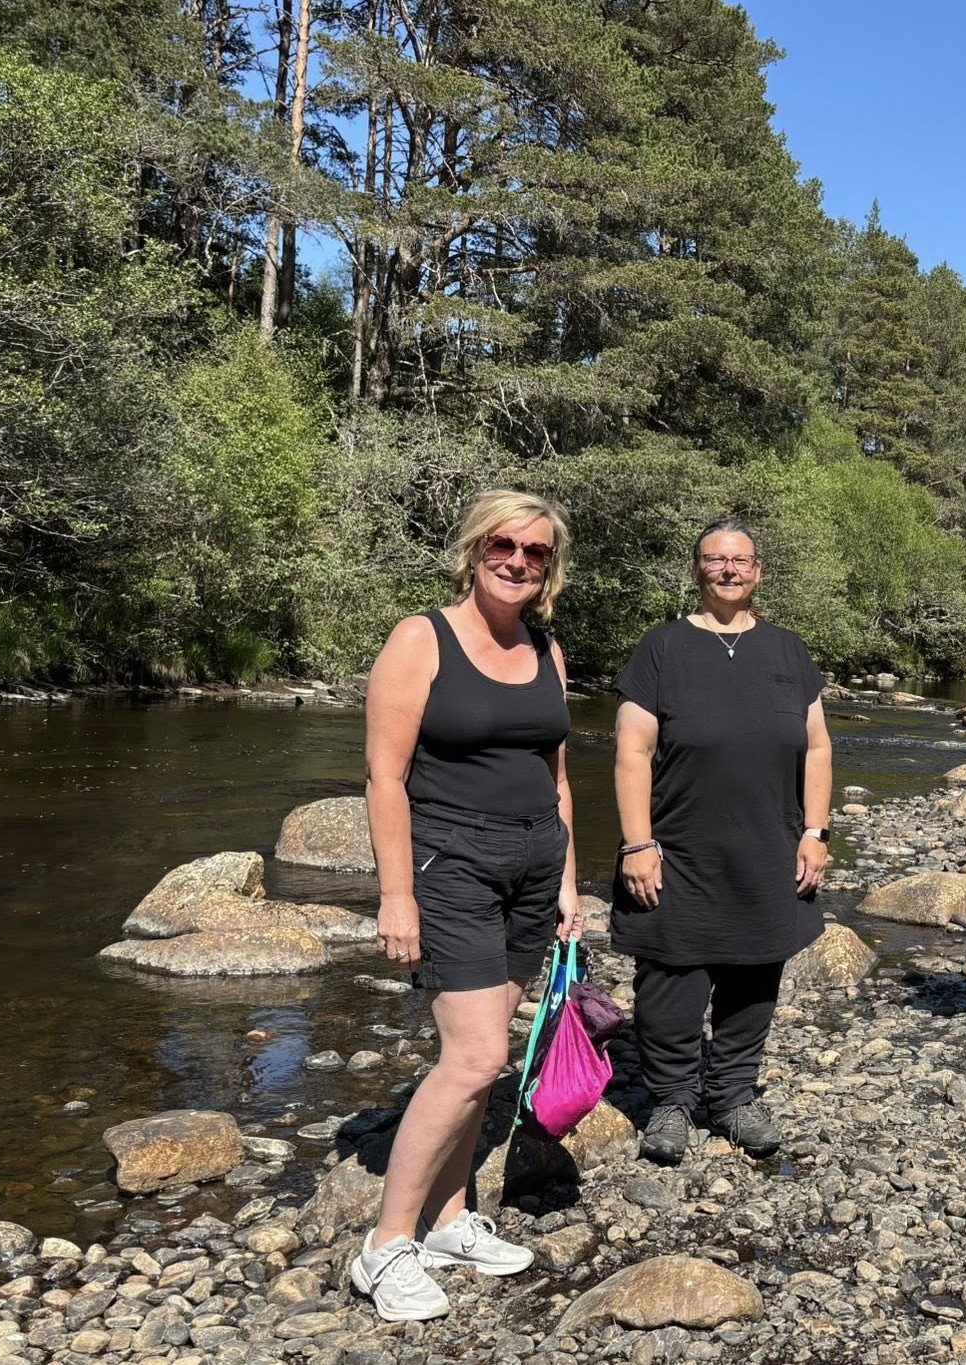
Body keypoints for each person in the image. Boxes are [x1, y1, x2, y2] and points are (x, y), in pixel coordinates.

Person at [352, 490, 579, 1322]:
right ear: (474, 547)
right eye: (504, 544)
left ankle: (449, 1219)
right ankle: (385, 1245)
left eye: (537, 552)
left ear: (550, 567)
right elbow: (384, 776)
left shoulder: (546, 647)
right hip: (452, 861)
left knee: (489, 1053)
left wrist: (565, 881)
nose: (519, 560)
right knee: (476, 1055)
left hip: (532, 864)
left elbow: (556, 778)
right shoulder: (423, 638)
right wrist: (397, 893)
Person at [612, 520, 832, 1165]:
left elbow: (817, 746)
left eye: (739, 561)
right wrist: (636, 844)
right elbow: (631, 753)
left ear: (757, 571)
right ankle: (674, 1101)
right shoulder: (663, 649)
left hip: (771, 845)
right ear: (697, 571)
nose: (728, 570)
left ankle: (734, 1095)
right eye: (715, 561)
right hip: (678, 847)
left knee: (756, 970)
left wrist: (815, 832)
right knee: (670, 979)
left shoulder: (790, 653)